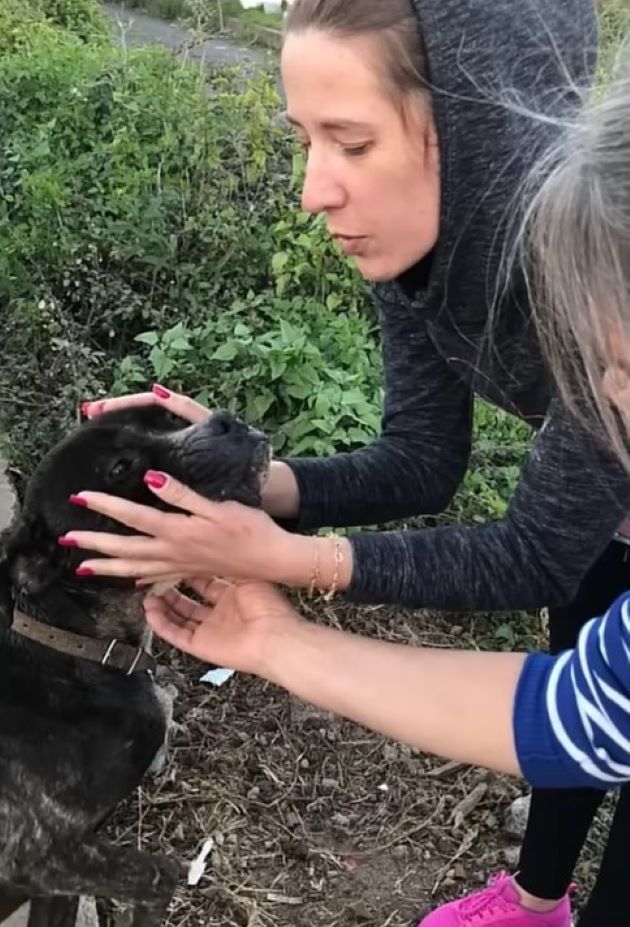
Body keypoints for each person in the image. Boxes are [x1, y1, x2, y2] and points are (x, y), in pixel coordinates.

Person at [62, 1, 630, 925]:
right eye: (305, 139)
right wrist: (243, 485)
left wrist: (289, 563)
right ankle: (536, 897)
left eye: (352, 143)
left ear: (472, 134)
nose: (313, 189)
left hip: (585, 529)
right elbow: (420, 460)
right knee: (587, 674)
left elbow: (533, 554)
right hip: (604, 529)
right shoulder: (418, 255)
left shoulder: (602, 270)